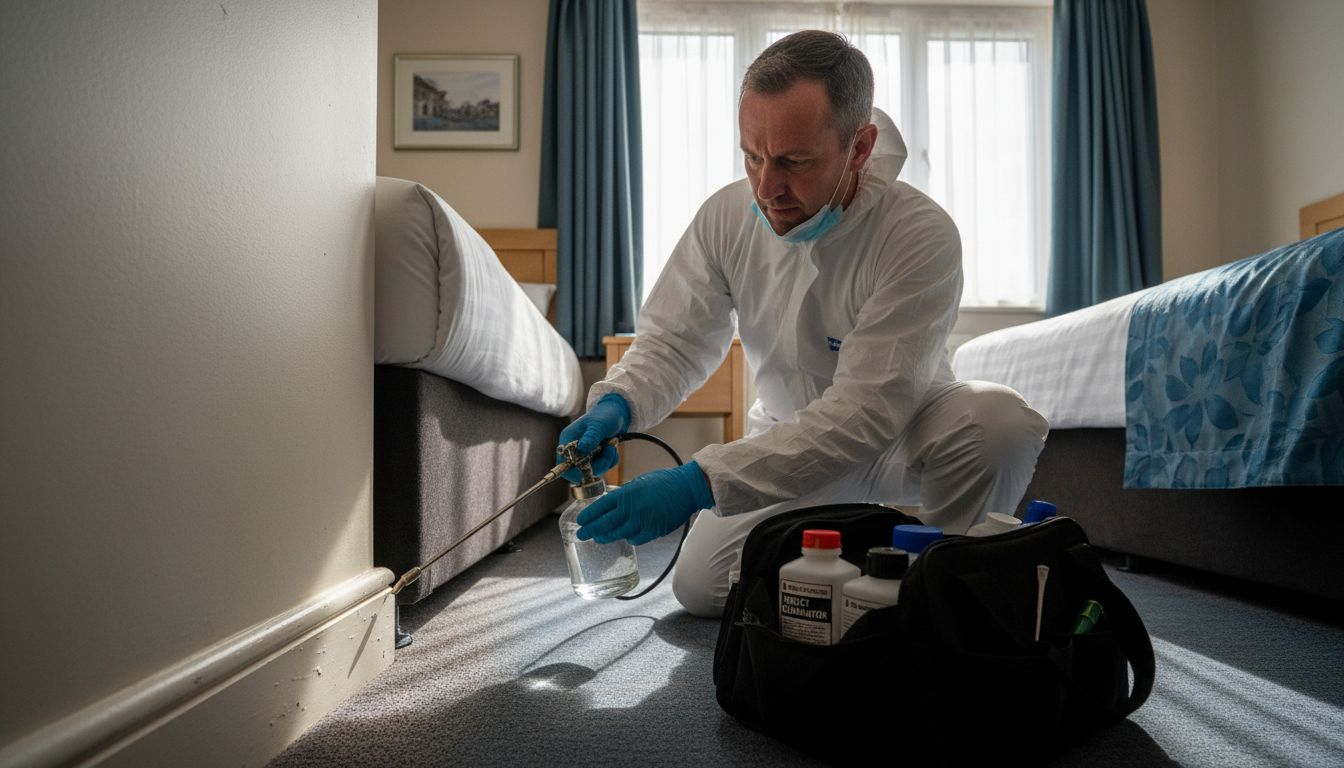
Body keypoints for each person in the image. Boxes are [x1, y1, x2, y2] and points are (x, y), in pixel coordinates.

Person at [561, 30, 1048, 617]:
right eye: (752, 155)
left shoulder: (919, 234)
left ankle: (941, 578)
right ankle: (868, 558)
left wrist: (699, 482)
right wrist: (619, 404)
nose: (767, 187)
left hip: (903, 433)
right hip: (786, 435)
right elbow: (675, 338)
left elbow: (866, 412)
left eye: (794, 161)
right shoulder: (724, 216)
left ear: (860, 147)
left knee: (999, 423)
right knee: (700, 589)